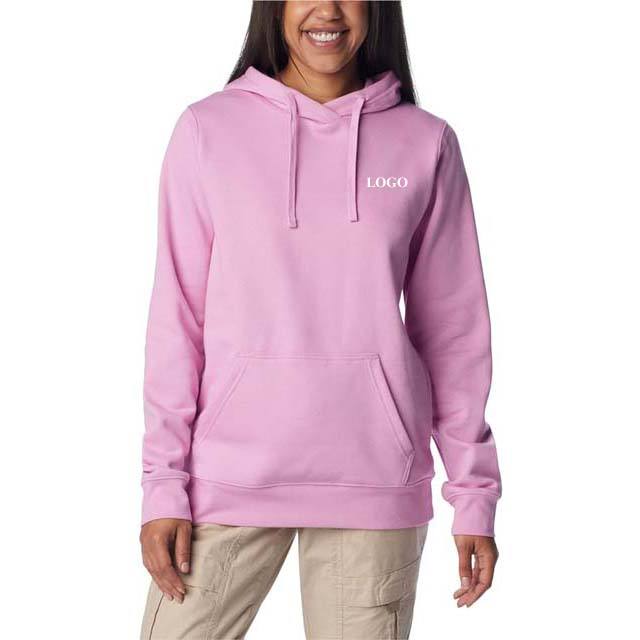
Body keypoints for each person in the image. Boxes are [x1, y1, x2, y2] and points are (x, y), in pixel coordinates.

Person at [139, 2, 502, 638]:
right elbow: (179, 320)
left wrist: (473, 493)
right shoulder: (207, 130)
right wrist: (162, 483)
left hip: (375, 482)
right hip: (225, 478)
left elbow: (453, 331)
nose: (327, 9)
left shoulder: (425, 142)